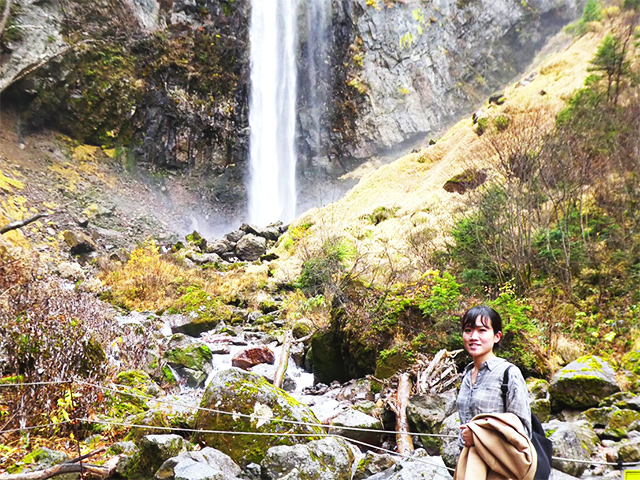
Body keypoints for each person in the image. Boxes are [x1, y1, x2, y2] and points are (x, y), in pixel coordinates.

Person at [457, 305, 532, 448]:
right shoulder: (466, 375)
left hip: (498, 463)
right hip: (468, 459)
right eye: (468, 330)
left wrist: (478, 437)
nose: (473, 337)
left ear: (497, 336)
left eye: (482, 330)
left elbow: (524, 432)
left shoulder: (508, 374)